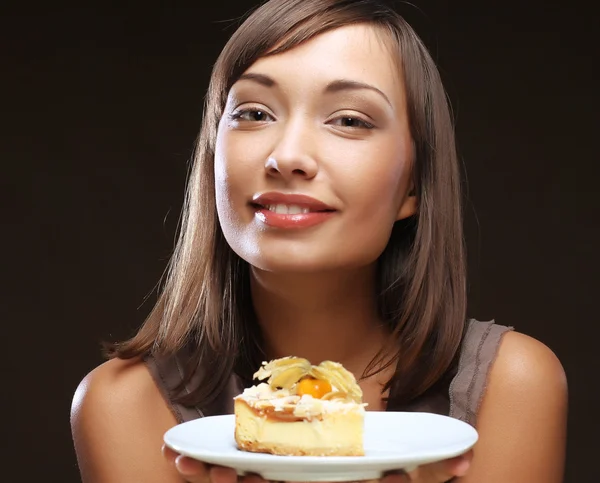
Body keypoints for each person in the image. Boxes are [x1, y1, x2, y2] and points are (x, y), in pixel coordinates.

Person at [70, 0, 568, 481]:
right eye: (254, 113)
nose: (287, 156)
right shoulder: (124, 404)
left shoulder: (510, 385)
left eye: (349, 120)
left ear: (413, 187)